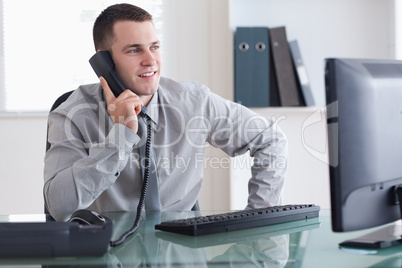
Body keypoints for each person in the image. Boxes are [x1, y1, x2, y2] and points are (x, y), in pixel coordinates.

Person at [44, 3, 288, 221]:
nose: (151, 60)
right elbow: (59, 207)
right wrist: (120, 136)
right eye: (134, 50)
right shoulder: (73, 114)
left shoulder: (193, 102)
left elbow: (271, 138)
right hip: (110, 252)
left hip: (183, 253)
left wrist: (258, 216)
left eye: (155, 47)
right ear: (103, 62)